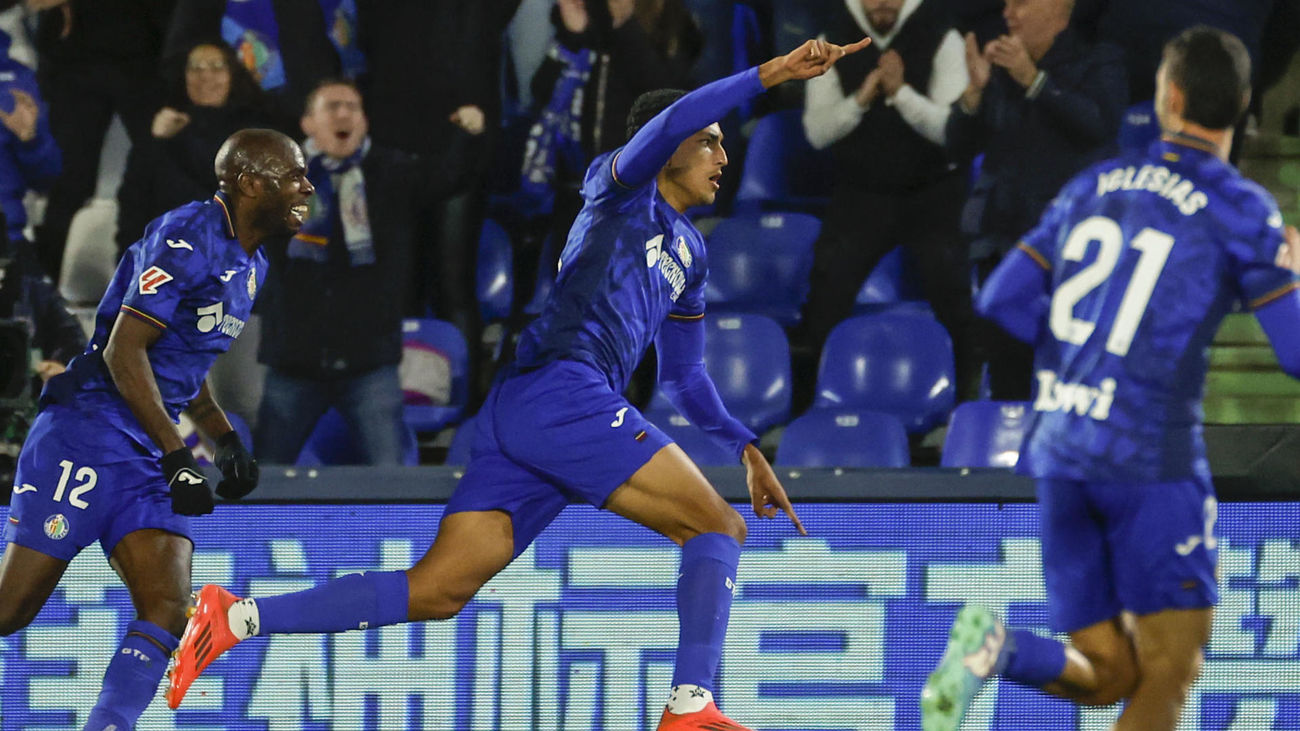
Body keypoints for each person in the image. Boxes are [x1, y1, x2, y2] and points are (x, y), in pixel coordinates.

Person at [166, 36, 870, 730]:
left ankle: (234, 616)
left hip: (531, 413)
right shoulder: (616, 189)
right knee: (716, 525)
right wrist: (772, 72)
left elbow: (684, 376)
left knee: (438, 590)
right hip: (562, 390)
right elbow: (677, 119)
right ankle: (690, 708)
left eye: (724, 143)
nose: (723, 155)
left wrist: (744, 444)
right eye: (710, 141)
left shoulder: (689, 251)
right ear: (674, 144)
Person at [921, 26, 1300, 731]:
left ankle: (994, 646)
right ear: (1243, 106)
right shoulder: (1243, 208)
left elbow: (1001, 296)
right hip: (1148, 460)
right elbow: (1296, 352)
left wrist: (1082, 357)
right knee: (1169, 675)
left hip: (1062, 449)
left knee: (1112, 674)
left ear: (1168, 98)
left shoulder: (1093, 185)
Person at [0, 128, 312, 731]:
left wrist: (222, 438)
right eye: (293, 175)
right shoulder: (186, 236)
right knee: (10, 611)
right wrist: (178, 456)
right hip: (87, 433)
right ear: (251, 184)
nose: (307, 186)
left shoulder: (254, 263)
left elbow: (179, 366)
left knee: (168, 609)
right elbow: (124, 353)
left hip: (144, 445)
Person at [945, 0, 1126, 399]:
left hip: (1071, 251)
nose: (1008, 13)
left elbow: (1097, 124)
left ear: (1058, 8)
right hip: (1002, 244)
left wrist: (1035, 81)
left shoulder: (1100, 60)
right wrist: (973, 95)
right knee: (1009, 372)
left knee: (1068, 371)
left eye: (1020, 3)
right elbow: (956, 147)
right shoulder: (1002, 69)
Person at [796, 0, 972, 406]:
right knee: (826, 292)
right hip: (861, 194)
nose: (881, 5)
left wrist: (900, 93)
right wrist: (861, 99)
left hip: (933, 192)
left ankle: (962, 406)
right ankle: (808, 409)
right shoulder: (830, 41)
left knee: (952, 290)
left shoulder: (942, 36)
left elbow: (951, 130)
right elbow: (817, 132)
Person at [254, 79, 420, 465]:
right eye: (333, 107)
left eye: (352, 107)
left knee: (391, 485)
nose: (344, 114)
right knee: (260, 485)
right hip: (293, 362)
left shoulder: (393, 175)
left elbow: (452, 176)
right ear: (308, 124)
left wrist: (471, 135)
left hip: (369, 363)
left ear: (364, 122)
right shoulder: (273, 184)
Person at [116, 39, 270, 254]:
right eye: (195, 68)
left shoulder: (256, 134)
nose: (205, 76)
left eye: (217, 67)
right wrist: (156, 141)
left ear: (233, 74)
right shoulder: (165, 128)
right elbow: (133, 205)